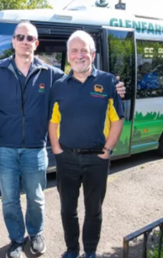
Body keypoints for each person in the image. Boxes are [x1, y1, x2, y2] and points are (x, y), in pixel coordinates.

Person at [0, 22, 126, 258]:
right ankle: (25, 243)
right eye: (19, 37)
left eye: (29, 38)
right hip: (19, 151)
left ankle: (55, 240)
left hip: (59, 153)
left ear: (36, 43)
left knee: (47, 201)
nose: (24, 41)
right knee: (19, 202)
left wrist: (107, 149)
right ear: (13, 41)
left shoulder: (55, 75)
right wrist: (58, 149)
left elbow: (112, 113)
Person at [48, 30, 124, 258]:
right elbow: (53, 121)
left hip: (96, 160)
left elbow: (117, 120)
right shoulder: (59, 85)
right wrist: (57, 150)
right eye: (74, 51)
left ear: (92, 53)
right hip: (67, 159)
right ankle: (72, 250)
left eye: (84, 51)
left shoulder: (108, 82)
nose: (79, 55)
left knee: (94, 211)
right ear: (68, 55)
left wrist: (107, 150)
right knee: (67, 210)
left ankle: (89, 251)